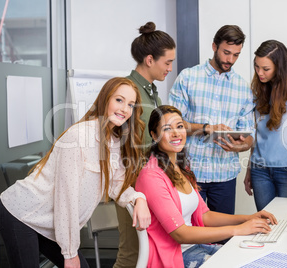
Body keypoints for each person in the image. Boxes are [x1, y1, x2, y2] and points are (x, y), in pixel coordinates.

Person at [0, 77, 151, 268]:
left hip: (50, 222)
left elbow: (116, 184)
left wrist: (138, 198)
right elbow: (66, 197)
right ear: (105, 99)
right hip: (21, 213)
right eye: (119, 100)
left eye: (131, 104)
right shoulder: (79, 136)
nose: (125, 109)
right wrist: (69, 253)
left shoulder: (114, 141)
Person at [135, 105, 276, 268]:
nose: (176, 133)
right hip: (176, 256)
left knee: (253, 258)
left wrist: (248, 218)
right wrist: (237, 230)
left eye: (180, 126)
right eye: (167, 129)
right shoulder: (151, 176)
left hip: (196, 247)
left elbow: (204, 216)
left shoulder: (182, 168)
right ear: (154, 135)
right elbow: (181, 234)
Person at [169, 25, 255, 215]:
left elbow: (249, 136)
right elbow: (172, 126)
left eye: (236, 55)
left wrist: (239, 146)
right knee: (190, 234)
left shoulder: (242, 88)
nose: (230, 60)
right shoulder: (188, 78)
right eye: (226, 52)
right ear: (214, 46)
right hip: (189, 173)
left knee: (222, 239)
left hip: (225, 176)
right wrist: (207, 128)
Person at [114, 21, 176, 268]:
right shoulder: (128, 91)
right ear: (150, 60)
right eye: (167, 62)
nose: (170, 68)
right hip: (131, 183)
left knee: (146, 252)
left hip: (147, 181)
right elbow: (116, 143)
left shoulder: (151, 91)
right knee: (130, 253)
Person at [244, 40, 287, 211]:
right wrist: (249, 168)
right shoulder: (258, 87)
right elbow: (256, 131)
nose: (260, 73)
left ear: (279, 66)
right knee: (265, 223)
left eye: (266, 69)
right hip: (259, 169)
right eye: (256, 67)